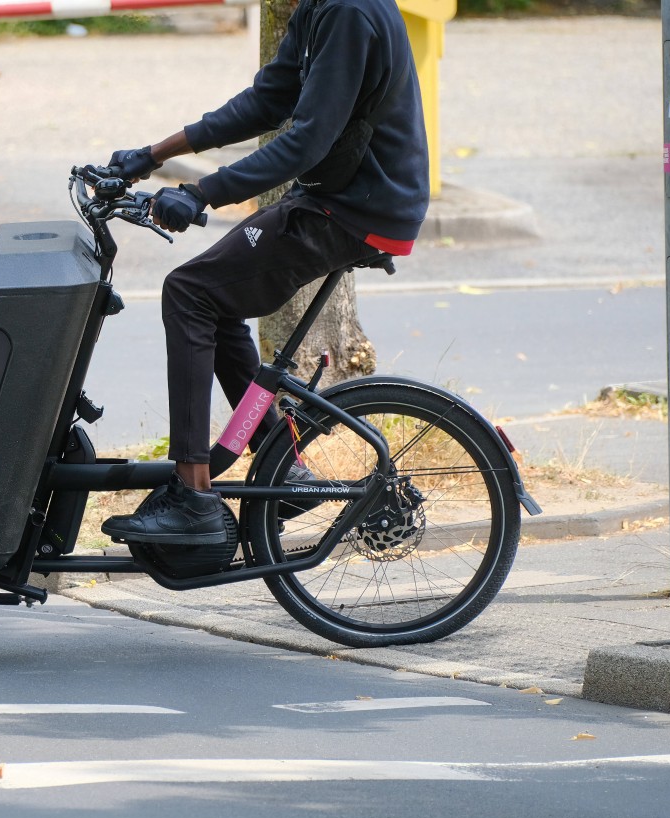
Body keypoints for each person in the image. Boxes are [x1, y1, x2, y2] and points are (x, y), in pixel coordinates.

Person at [100, 0, 430, 546]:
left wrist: (202, 193)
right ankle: (284, 465)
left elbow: (306, 140)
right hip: (338, 196)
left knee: (188, 292)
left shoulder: (349, 12)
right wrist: (153, 154)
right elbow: (267, 101)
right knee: (214, 291)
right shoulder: (318, 6)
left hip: (357, 209)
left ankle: (193, 500)